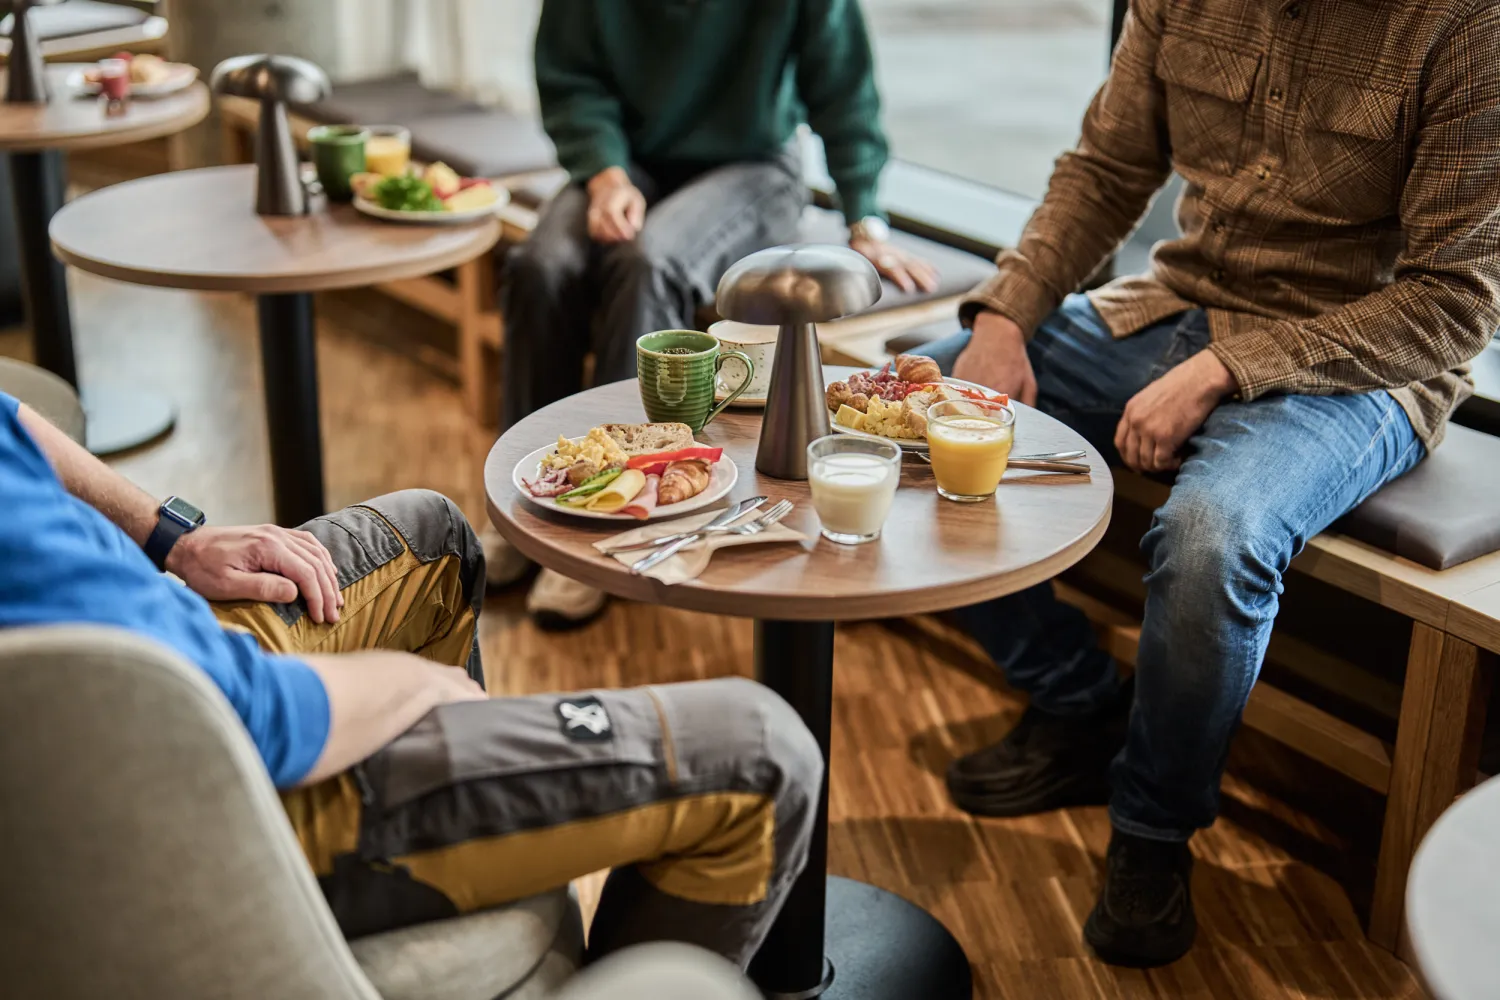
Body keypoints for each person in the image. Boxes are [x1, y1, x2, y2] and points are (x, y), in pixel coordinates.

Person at [919, 0, 1500, 968]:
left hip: (1359, 369)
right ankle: (1074, 700)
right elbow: (1106, 171)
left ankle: (1151, 834)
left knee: (1209, 539)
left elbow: (1454, 304)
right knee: (922, 415)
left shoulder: (1463, 23)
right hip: (1180, 307)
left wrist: (1229, 371)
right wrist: (1007, 314)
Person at [0, 390, 822, 967]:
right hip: (199, 781)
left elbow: (11, 417)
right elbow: (250, 718)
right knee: (762, 751)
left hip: (167, 662)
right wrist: (410, 687)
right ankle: (430, 809)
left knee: (432, 537)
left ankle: (471, 810)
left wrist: (167, 534)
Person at [489, 0, 938, 629]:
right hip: (630, 161)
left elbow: (844, 88)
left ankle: (620, 512)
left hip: (752, 167)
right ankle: (534, 509)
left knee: (648, 264)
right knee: (541, 266)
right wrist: (605, 174)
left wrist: (864, 217)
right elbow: (570, 77)